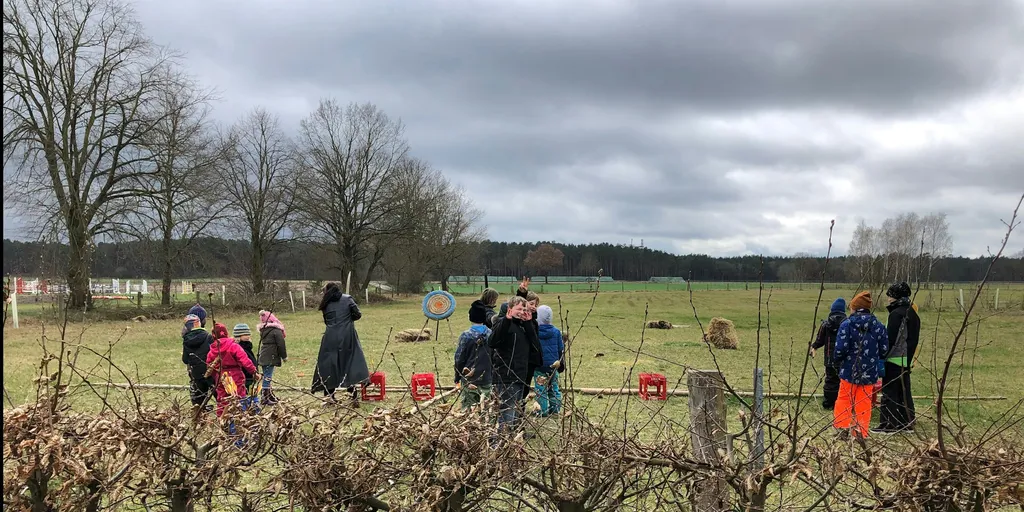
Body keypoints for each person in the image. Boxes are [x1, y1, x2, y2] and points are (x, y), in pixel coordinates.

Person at [833, 291, 889, 439]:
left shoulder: (847, 325)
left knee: (844, 399)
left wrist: (837, 360)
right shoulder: (878, 326)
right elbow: (884, 349)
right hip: (870, 372)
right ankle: (860, 432)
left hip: (848, 370)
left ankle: (842, 428)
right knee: (864, 402)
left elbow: (840, 348)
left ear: (855, 308)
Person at [311, 282, 370, 406]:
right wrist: (348, 320)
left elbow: (327, 321)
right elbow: (358, 314)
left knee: (330, 365)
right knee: (349, 363)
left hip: (330, 337)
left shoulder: (325, 303)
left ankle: (330, 397)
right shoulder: (347, 299)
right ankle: (353, 396)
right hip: (347, 335)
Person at [875, 281, 921, 434]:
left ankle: (888, 424)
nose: (888, 298)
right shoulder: (912, 313)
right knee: (904, 392)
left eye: (890, 296)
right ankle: (906, 422)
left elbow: (890, 339)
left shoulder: (896, 314)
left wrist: (882, 355)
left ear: (896, 297)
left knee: (889, 392)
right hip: (906, 359)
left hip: (894, 358)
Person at [488, 295, 537, 434]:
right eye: (519, 309)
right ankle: (499, 444)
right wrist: (507, 320)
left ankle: (512, 443)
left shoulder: (523, 327)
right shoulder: (503, 324)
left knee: (515, 415)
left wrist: (529, 323)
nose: (522, 312)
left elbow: (536, 347)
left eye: (524, 309)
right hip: (506, 377)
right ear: (510, 309)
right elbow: (492, 341)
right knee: (506, 416)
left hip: (520, 377)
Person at [205, 323, 257, 417]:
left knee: (222, 398)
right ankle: (239, 417)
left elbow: (209, 366)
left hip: (220, 376)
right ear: (226, 333)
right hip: (235, 374)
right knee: (238, 396)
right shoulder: (233, 346)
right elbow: (245, 360)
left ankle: (222, 418)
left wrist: (215, 376)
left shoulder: (212, 350)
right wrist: (253, 372)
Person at [454, 300, 493, 410]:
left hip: (469, 379)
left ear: (470, 317)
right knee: (486, 408)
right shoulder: (491, 334)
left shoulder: (466, 336)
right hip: (487, 377)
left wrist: (457, 376)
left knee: (469, 409)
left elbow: (459, 358)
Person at [811, 298, 847, 410]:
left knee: (830, 380)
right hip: (844, 359)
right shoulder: (848, 324)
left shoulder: (825, 325)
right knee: (843, 380)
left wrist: (814, 347)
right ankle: (842, 402)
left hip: (829, 358)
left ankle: (829, 402)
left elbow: (819, 339)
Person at [533, 305, 564, 417]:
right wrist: (561, 364)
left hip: (540, 366)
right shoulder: (556, 332)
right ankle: (555, 409)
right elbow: (561, 349)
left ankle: (542, 410)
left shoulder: (535, 332)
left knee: (541, 389)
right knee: (554, 388)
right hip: (553, 366)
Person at [181, 305, 214, 408]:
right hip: (210, 370)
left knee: (198, 398)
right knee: (218, 393)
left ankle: (199, 411)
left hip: (195, 373)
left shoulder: (186, 339)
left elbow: (185, 360)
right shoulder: (208, 336)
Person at [257, 310, 287, 405]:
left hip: (263, 355)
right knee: (268, 376)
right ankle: (265, 397)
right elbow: (281, 344)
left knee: (266, 375)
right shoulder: (276, 331)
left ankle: (269, 395)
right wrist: (284, 356)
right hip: (271, 355)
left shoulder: (263, 330)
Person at [233, 323, 259, 394]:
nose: (248, 336)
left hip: (251, 375)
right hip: (245, 376)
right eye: (245, 335)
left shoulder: (248, 346)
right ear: (238, 336)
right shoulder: (238, 348)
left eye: (248, 334)